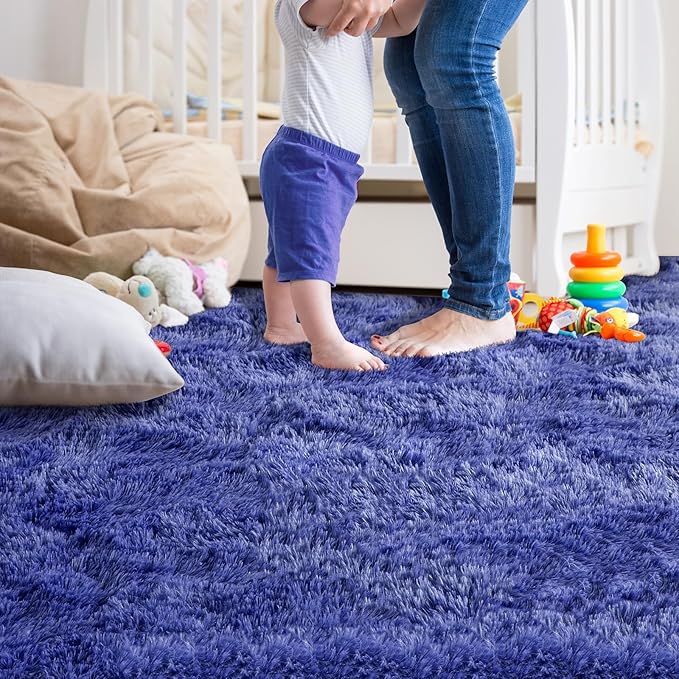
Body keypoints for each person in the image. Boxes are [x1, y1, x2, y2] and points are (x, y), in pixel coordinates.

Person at [261, 0, 427, 371]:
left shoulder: (358, 13)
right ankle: (326, 344)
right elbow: (324, 9)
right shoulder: (304, 7)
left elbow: (398, 22)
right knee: (310, 255)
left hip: (324, 158)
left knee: (287, 249)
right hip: (308, 155)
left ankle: (282, 325)